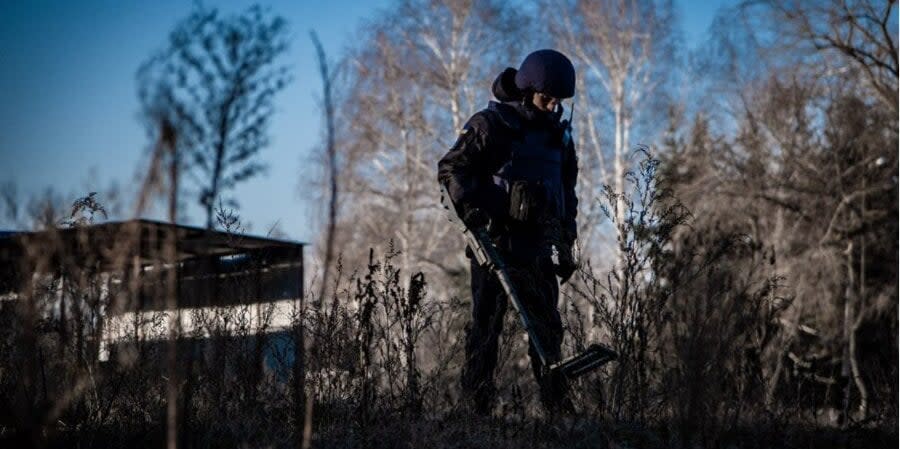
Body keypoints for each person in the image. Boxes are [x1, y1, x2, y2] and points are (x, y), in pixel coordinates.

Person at [437, 49, 579, 415]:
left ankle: (558, 412)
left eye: (557, 101)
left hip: (538, 248)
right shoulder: (492, 125)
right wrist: (479, 211)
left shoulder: (559, 139)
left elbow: (567, 193)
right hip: (494, 246)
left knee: (548, 332)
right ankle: (475, 412)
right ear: (527, 90)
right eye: (546, 98)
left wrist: (566, 243)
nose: (551, 107)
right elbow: (452, 170)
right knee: (485, 331)